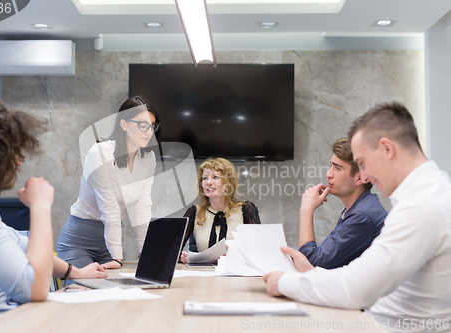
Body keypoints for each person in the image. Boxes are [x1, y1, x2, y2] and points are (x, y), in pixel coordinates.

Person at [263, 102, 451, 332]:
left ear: (387, 149)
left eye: (362, 163)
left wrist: (283, 281)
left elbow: (354, 288)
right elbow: (362, 277)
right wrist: (313, 272)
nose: (365, 175)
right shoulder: (429, 195)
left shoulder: (422, 206)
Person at [0, 91, 106, 332]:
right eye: (13, 152)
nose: (19, 161)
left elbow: (21, 244)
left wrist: (76, 272)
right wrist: (40, 206)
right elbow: (35, 288)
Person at [58, 96, 160, 270]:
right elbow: (109, 207)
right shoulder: (99, 153)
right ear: (124, 124)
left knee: (113, 294)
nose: (149, 132)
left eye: (152, 126)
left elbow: (142, 209)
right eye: (143, 125)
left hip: (107, 244)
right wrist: (118, 258)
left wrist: (145, 255)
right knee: (88, 291)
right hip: (78, 242)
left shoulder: (148, 158)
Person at [298, 138, 387, 269]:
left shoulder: (362, 217)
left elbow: (311, 266)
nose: (328, 174)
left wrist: (306, 209)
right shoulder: (361, 207)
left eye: (337, 168)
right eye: (331, 165)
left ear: (360, 178)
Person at [180, 158, 261, 263]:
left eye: (215, 177)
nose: (209, 182)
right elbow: (170, 251)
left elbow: (259, 252)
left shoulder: (246, 209)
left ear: (228, 181)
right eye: (205, 178)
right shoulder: (194, 212)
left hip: (237, 276)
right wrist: (180, 258)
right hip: (202, 276)